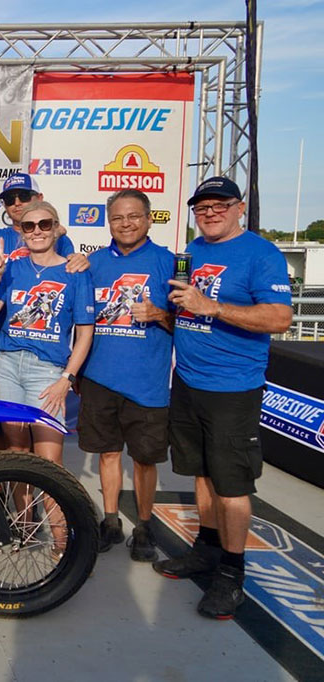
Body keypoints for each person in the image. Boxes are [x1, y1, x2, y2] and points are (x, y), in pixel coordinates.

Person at [154, 176, 292, 620]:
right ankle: (207, 549)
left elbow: (280, 318)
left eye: (219, 205)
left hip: (233, 389)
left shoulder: (261, 253)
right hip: (188, 382)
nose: (210, 213)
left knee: (232, 487)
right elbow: (186, 313)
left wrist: (212, 306)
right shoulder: (194, 250)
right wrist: (166, 313)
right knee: (201, 474)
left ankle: (232, 574)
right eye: (202, 207)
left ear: (239, 207)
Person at [77, 189, 174, 560]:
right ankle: (111, 521)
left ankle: (145, 525)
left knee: (145, 460)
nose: (126, 224)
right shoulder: (92, 263)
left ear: (149, 219)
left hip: (147, 383)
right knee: (108, 454)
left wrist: (159, 314)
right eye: (117, 217)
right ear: (109, 222)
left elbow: (189, 324)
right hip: (100, 378)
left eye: (134, 216)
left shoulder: (168, 262)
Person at [0, 169, 85, 435]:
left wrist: (81, 260)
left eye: (23, 196)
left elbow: (71, 271)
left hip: (44, 355)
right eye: (9, 198)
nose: (16, 203)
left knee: (44, 441)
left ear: (38, 197)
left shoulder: (60, 239)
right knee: (1, 437)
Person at [0, 200, 95, 467]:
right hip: (7, 366)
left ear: (56, 229)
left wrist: (66, 379)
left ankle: (52, 500)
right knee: (17, 451)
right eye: (29, 226)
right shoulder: (11, 268)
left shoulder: (75, 272)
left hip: (48, 371)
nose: (37, 231)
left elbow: (85, 334)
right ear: (22, 232)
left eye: (44, 224)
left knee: (49, 459)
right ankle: (22, 499)